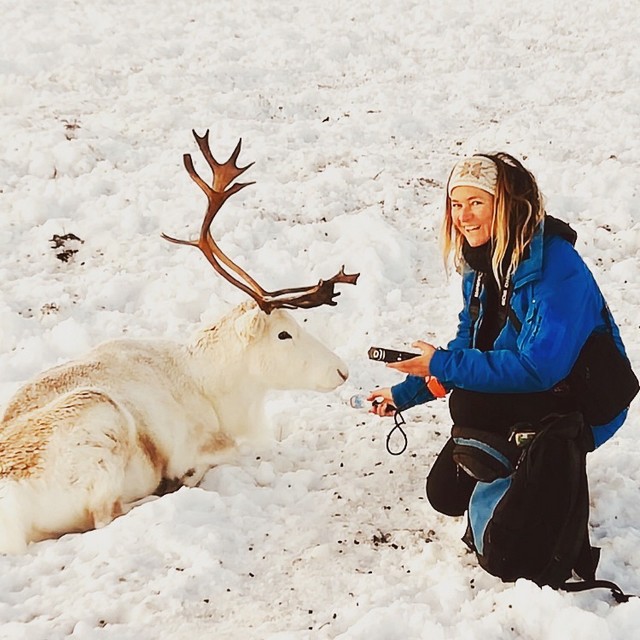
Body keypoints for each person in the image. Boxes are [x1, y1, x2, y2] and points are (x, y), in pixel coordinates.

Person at [367, 152, 633, 517]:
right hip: (530, 390)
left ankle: (554, 465)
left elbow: (540, 367)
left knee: (470, 403)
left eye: (476, 202)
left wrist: (444, 364)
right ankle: (520, 463)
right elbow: (467, 345)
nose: (463, 216)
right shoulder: (480, 264)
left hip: (586, 399)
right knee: (446, 494)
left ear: (507, 205)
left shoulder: (556, 266)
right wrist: (405, 394)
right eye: (457, 204)